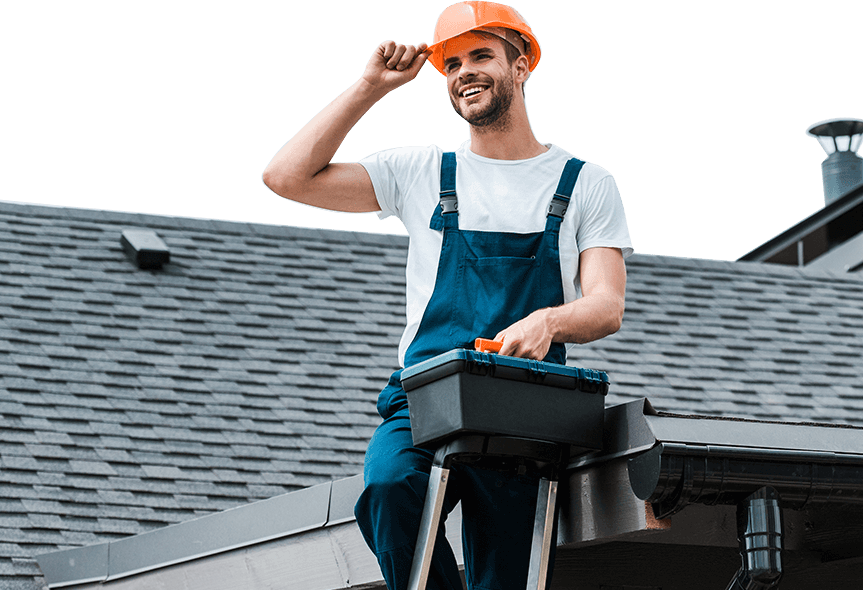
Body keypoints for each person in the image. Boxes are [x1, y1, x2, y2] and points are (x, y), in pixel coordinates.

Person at [258, 2, 632, 588]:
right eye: (451, 64)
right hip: (426, 394)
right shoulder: (421, 172)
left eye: (480, 56)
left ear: (522, 64)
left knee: (507, 573)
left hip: (525, 406)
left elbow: (607, 305)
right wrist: (369, 88)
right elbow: (286, 178)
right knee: (389, 488)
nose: (463, 73)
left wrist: (549, 323)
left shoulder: (585, 183)